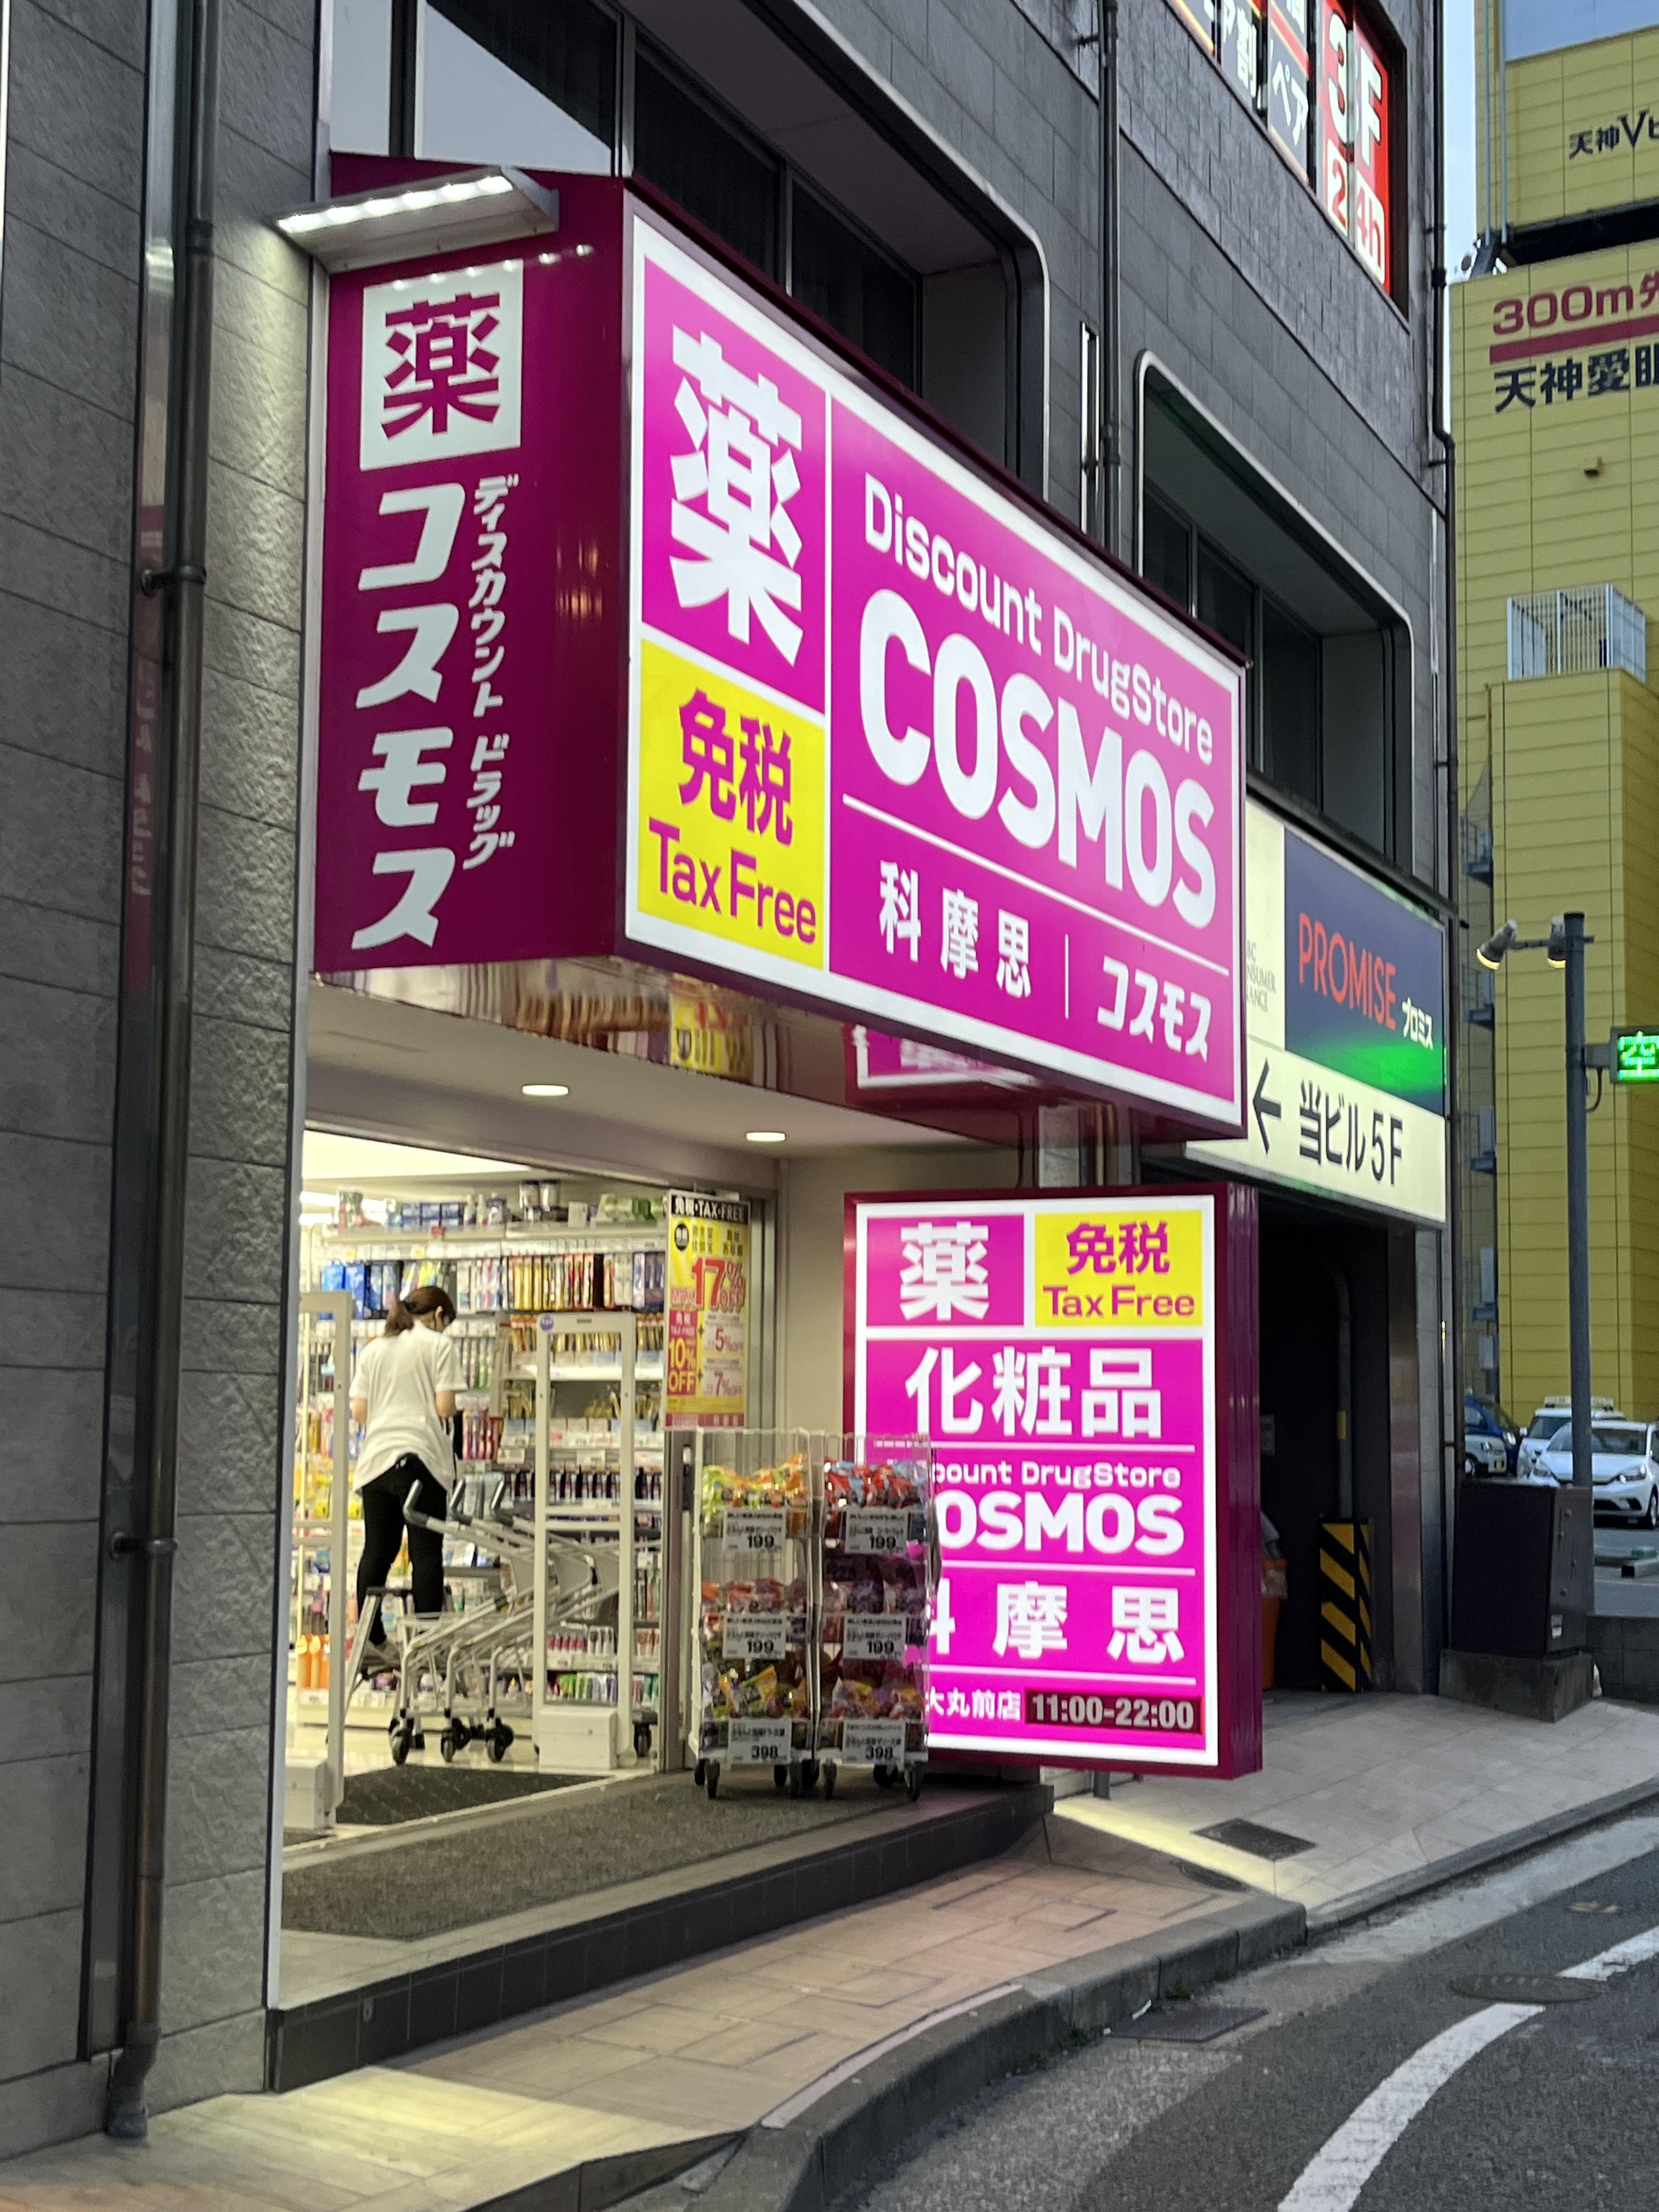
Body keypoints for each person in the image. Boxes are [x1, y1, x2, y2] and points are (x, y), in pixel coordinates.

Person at [350, 1283, 463, 1657]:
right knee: (425, 1553)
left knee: (378, 1550)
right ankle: (426, 1643)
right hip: (421, 1460)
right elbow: (445, 1408)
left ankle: (371, 1636)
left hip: (376, 1464)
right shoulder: (439, 1346)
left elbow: (360, 1412)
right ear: (439, 1316)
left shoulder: (375, 1349)